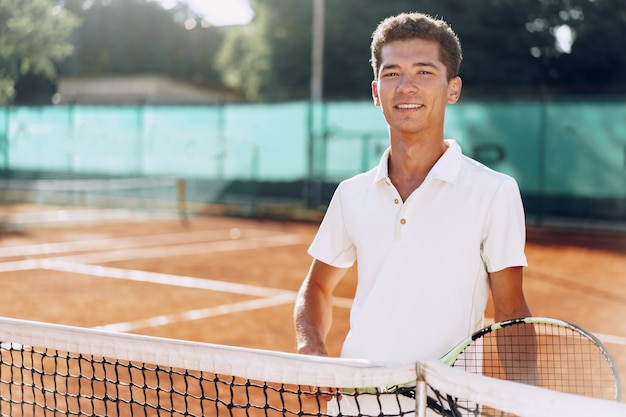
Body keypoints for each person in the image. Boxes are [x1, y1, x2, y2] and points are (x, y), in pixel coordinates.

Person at [293, 11, 533, 416]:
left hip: (442, 408)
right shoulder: (351, 194)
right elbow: (315, 290)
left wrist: (527, 402)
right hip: (353, 406)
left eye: (424, 71)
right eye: (392, 74)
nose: (406, 86)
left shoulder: (494, 191)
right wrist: (311, 346)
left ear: (452, 88)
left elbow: (510, 312)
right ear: (375, 90)